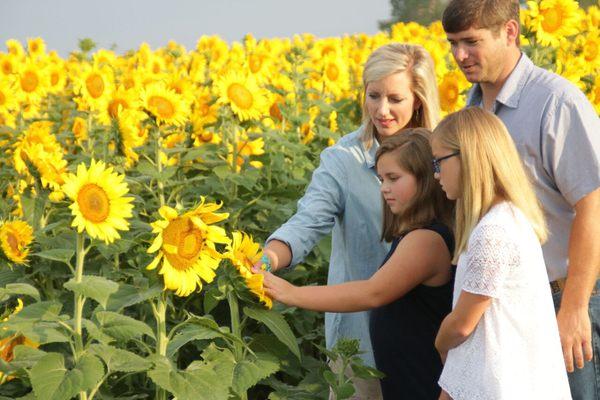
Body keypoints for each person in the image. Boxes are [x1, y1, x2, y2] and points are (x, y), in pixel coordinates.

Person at [257, 43, 441, 399]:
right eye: (373, 96)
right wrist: (267, 260)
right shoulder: (344, 159)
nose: (381, 110)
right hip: (362, 343)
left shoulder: (444, 151)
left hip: (433, 335)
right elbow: (307, 222)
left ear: (418, 98)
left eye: (395, 99)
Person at [441, 1, 600, 398]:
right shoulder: (473, 107)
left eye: (471, 42)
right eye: (453, 43)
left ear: (509, 32)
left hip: (565, 294)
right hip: (505, 302)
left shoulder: (554, 102)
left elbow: (592, 204)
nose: (460, 55)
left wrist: (575, 306)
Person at [431, 107, 571, 399]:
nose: (436, 174)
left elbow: (463, 325)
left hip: (503, 385)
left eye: (439, 161)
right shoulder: (508, 217)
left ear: (468, 158)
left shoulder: (493, 230)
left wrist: (440, 341)